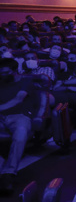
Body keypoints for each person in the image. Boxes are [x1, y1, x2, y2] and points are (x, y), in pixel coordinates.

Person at [0, 58, 40, 194]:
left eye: (5, 73)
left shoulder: (26, 82)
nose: (2, 75)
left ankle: (8, 173)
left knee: (21, 133)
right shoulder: (1, 82)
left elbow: (18, 99)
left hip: (19, 116)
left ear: (14, 71)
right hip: (1, 116)